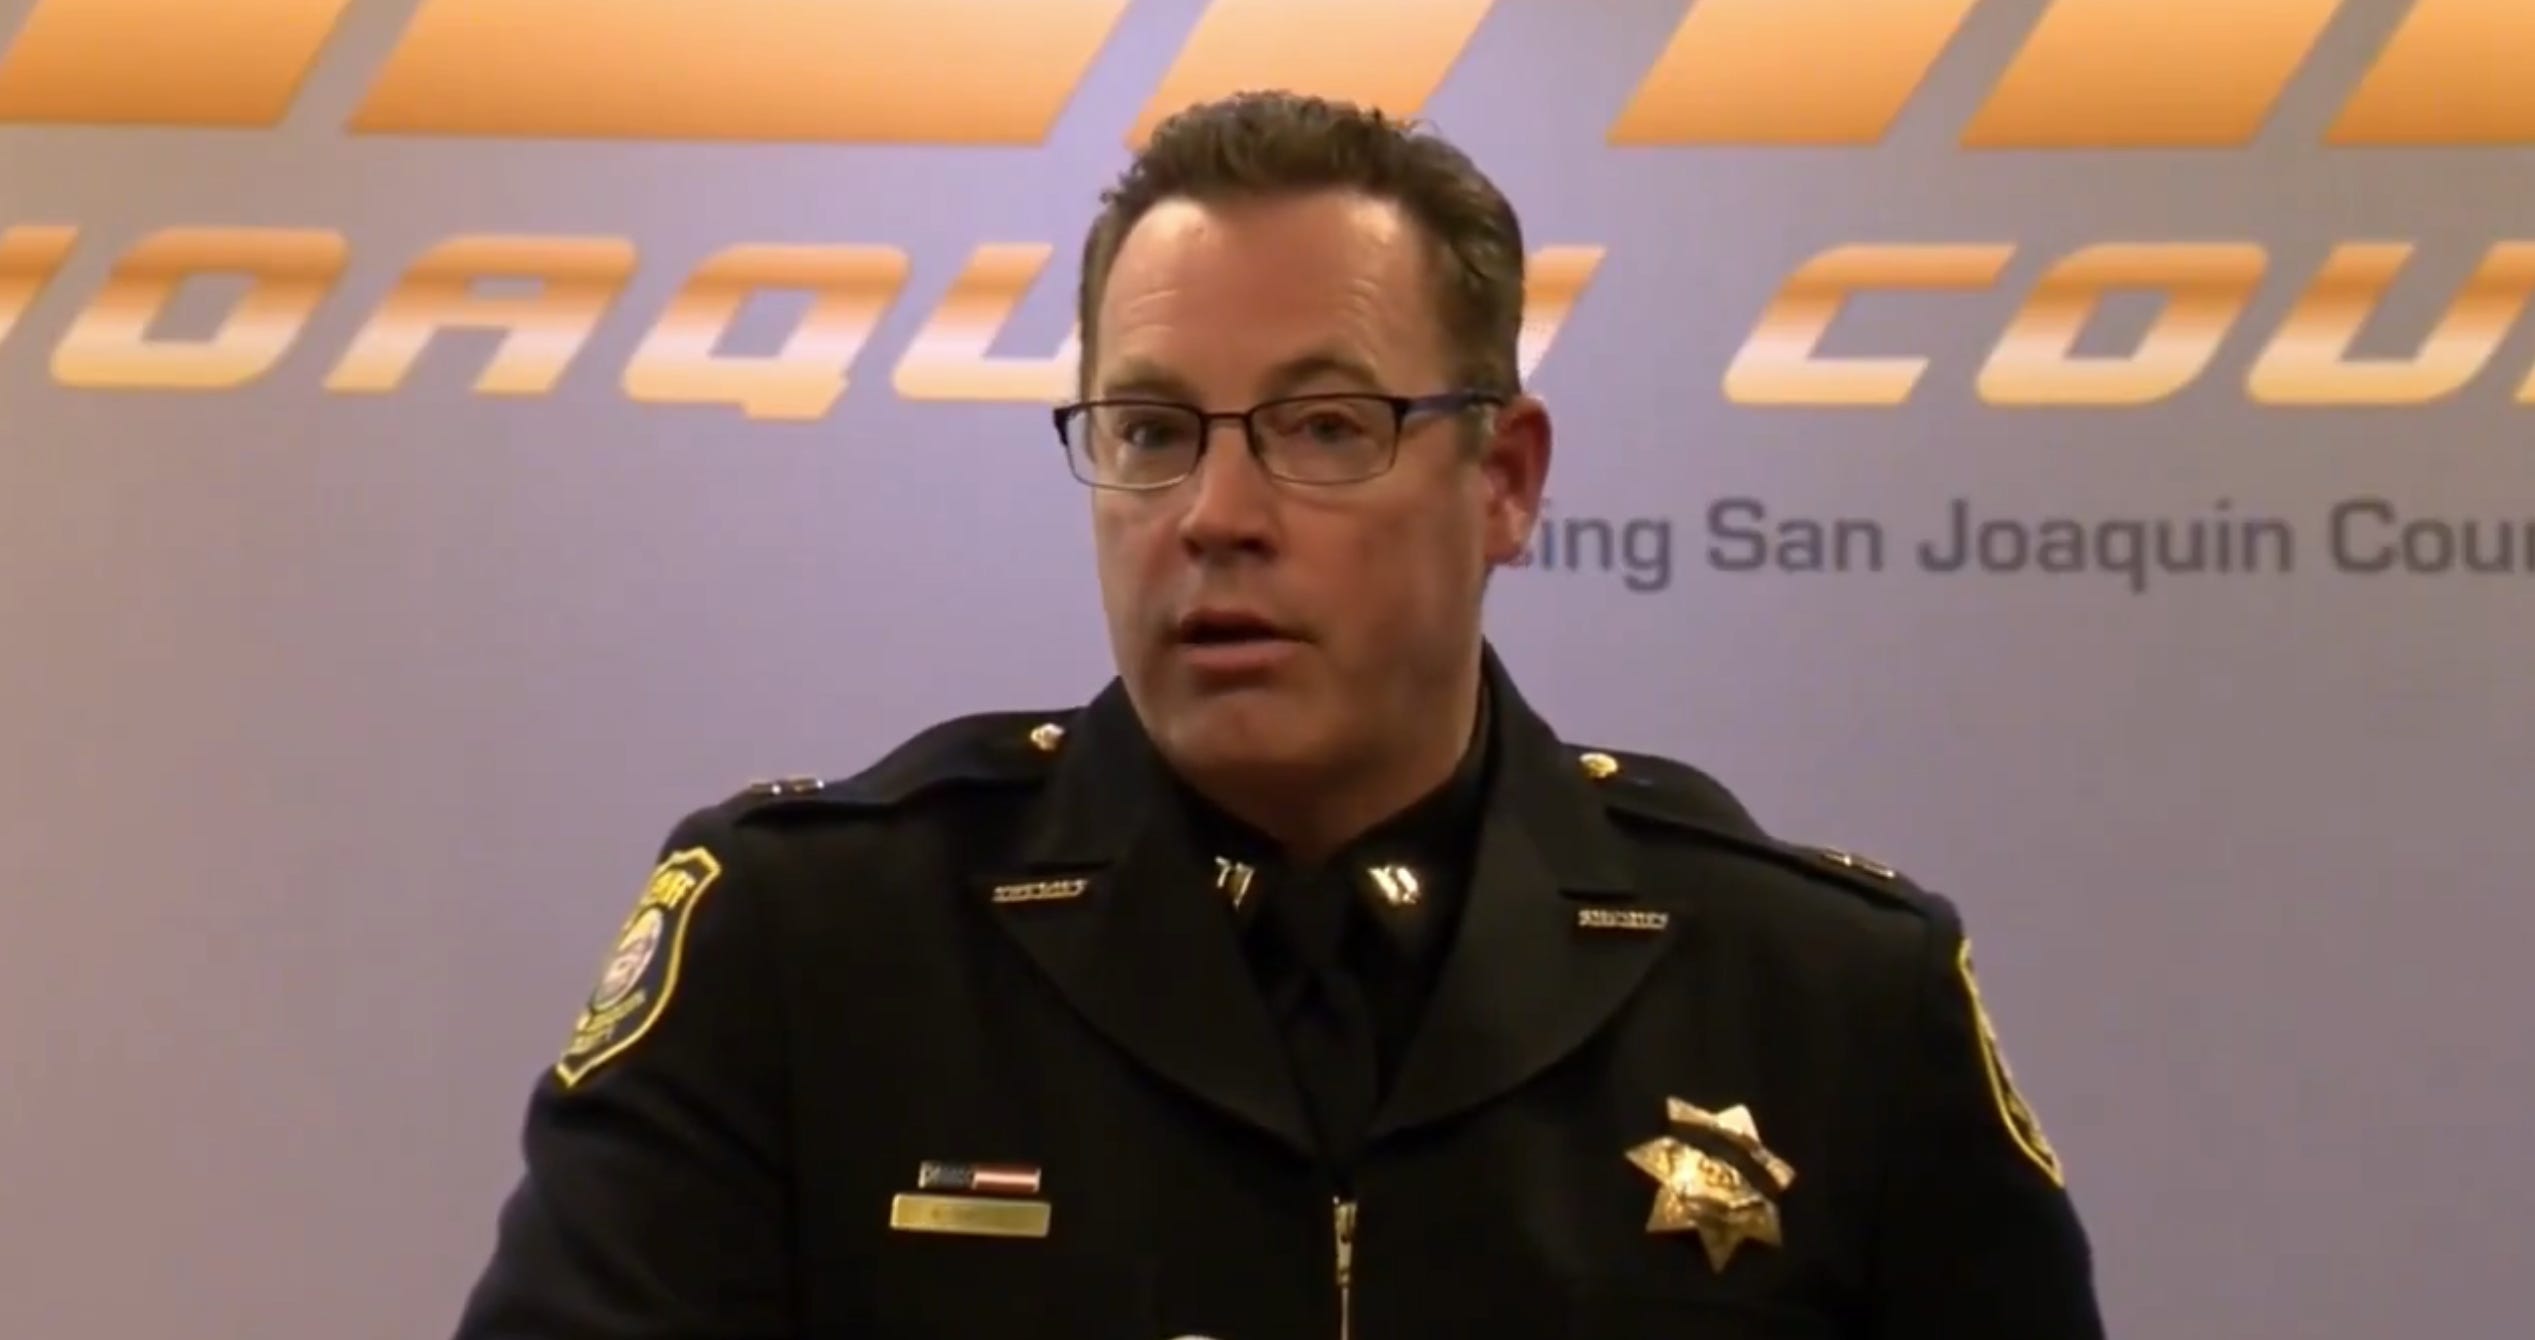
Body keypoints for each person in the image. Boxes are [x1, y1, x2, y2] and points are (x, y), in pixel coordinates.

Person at [448, 90, 2104, 1339]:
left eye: (1323, 428)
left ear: (1506, 481)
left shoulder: (1824, 999)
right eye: (1152, 431)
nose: (1215, 515)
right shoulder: (810, 952)